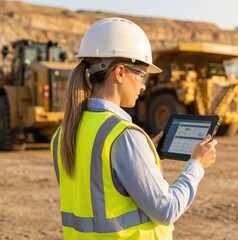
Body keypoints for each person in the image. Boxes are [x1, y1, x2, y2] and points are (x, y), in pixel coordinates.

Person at [50, 17, 217, 240]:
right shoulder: (124, 136)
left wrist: (144, 157)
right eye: (141, 74)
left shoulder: (62, 134)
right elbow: (166, 210)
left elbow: (97, 191)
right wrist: (196, 165)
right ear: (119, 72)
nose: (144, 84)